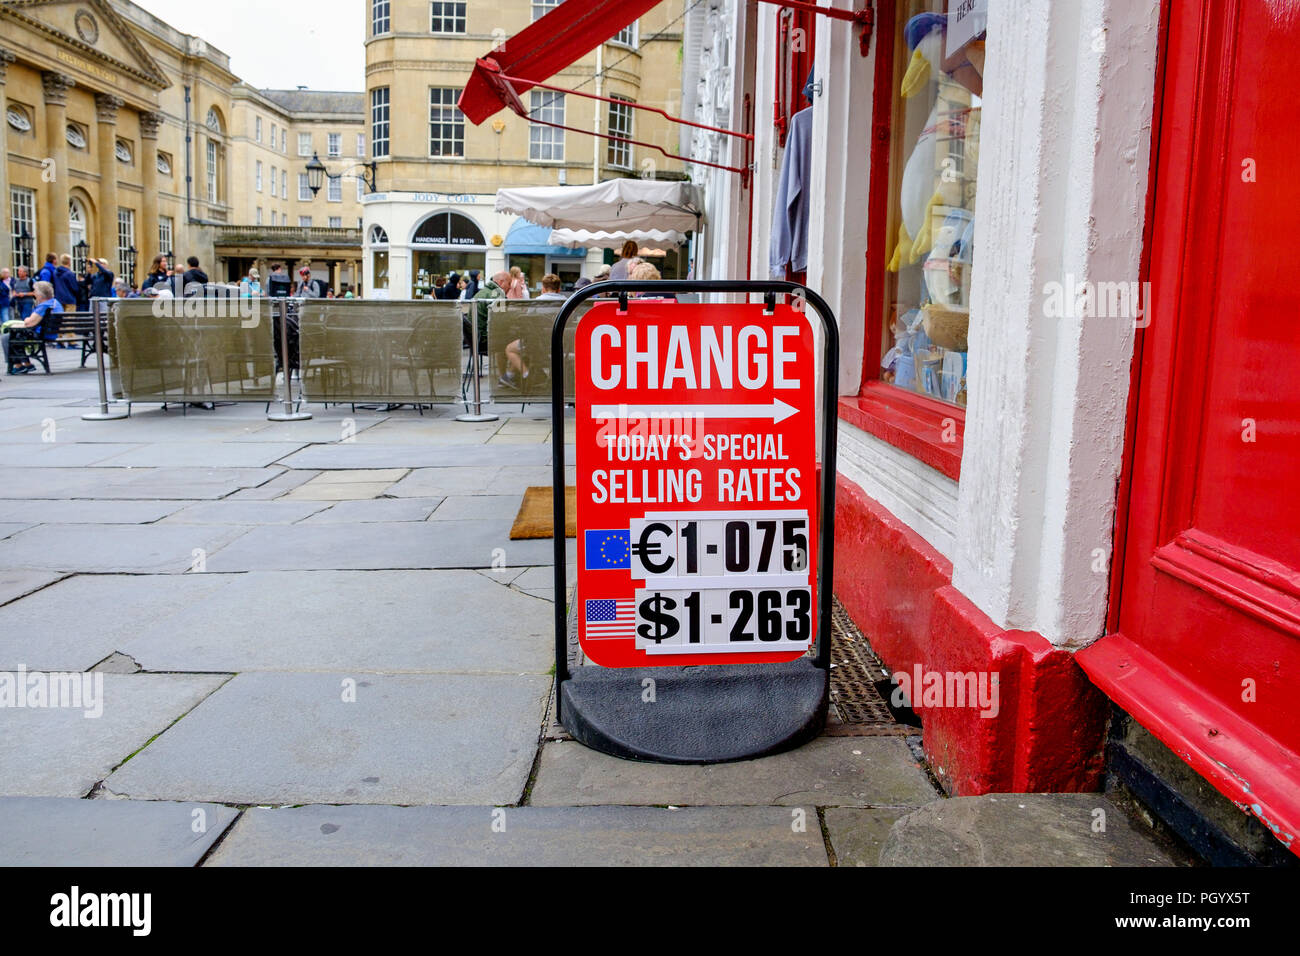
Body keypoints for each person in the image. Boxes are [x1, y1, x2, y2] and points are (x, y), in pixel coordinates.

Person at [3, 280, 62, 374]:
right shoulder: (55, 303)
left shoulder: (45, 306)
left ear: (40, 294)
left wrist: (26, 319)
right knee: (15, 335)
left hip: (41, 334)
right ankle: (26, 364)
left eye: (35, 291)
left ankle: (18, 365)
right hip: (51, 333)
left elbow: (29, 323)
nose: (34, 293)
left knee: (7, 337)